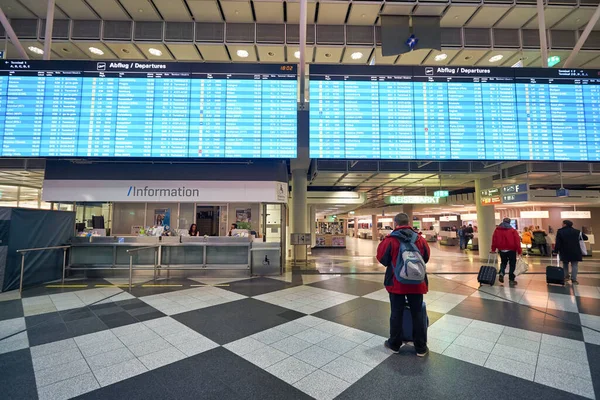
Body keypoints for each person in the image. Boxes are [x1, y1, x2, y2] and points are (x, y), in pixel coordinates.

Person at [376, 213, 430, 357]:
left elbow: (382, 258)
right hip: (417, 283)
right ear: (409, 222)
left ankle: (394, 344)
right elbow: (426, 257)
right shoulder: (419, 239)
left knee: (396, 312)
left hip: (396, 283)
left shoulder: (390, 240)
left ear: (395, 223)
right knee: (417, 313)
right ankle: (421, 347)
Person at [554, 220, 588, 285]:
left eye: (562, 223)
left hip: (564, 251)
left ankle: (566, 277)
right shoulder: (577, 231)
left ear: (565, 224)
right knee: (574, 265)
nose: (562, 224)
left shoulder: (560, 232)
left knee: (565, 264)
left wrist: (556, 251)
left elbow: (558, 243)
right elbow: (586, 238)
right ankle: (574, 279)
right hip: (575, 251)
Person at [491, 217, 522, 285]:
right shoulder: (513, 230)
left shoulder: (497, 230)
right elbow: (517, 241)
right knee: (512, 264)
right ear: (509, 222)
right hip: (512, 250)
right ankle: (511, 279)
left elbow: (494, 240)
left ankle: (502, 272)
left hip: (502, 249)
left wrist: (493, 249)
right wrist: (519, 251)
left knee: (503, 262)